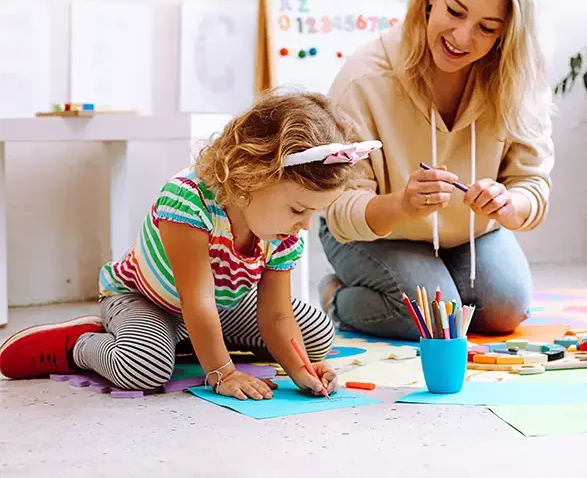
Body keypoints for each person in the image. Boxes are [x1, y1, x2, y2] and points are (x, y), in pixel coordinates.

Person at [0, 91, 366, 400]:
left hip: (217, 309)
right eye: (298, 210)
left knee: (316, 332)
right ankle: (81, 344)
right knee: (145, 369)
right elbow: (197, 301)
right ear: (251, 176)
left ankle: (187, 344)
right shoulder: (187, 199)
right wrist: (222, 373)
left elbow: (277, 315)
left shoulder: (282, 232)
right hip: (148, 300)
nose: (303, 226)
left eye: (313, 214)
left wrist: (302, 370)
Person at [318, 0, 554, 340]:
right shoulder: (364, 79)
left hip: (468, 233)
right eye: (455, 11)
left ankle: (436, 282)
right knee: (432, 320)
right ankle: (335, 296)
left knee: (505, 310)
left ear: (505, 35)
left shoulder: (517, 80)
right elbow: (339, 207)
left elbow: (532, 185)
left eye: (487, 27)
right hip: (373, 232)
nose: (463, 37)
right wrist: (402, 204)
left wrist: (509, 205)